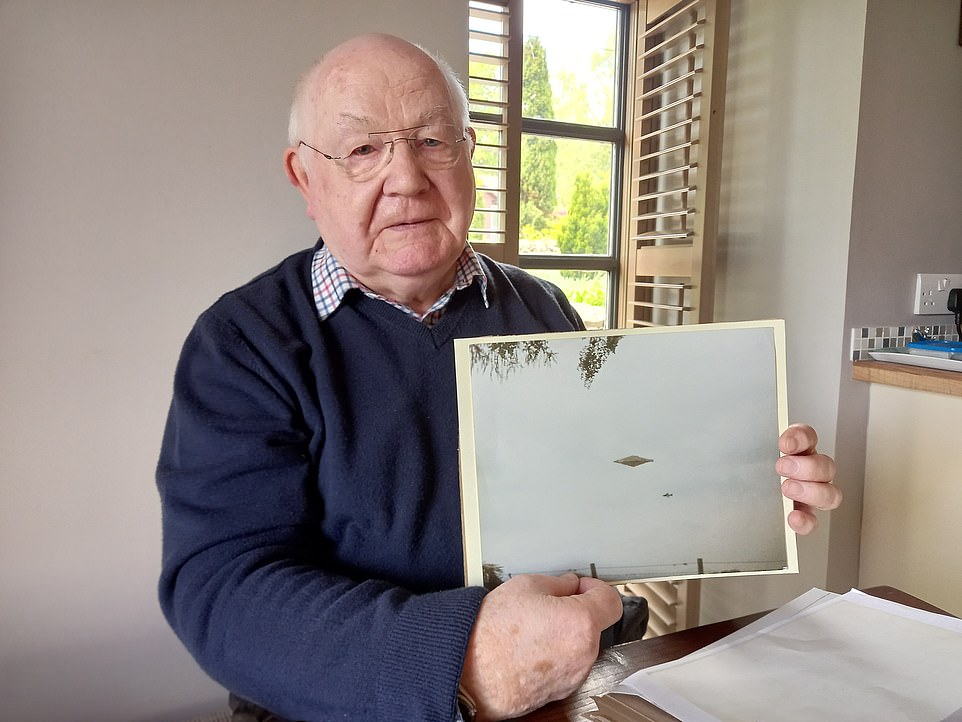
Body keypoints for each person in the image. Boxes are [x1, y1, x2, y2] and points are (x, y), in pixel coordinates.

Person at [156, 33, 842, 722]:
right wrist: (459, 659)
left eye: (432, 141)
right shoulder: (244, 343)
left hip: (563, 690)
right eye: (364, 150)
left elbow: (609, 483)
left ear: (469, 156)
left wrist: (739, 480)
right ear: (305, 176)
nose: (407, 178)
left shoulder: (541, 308)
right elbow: (221, 589)